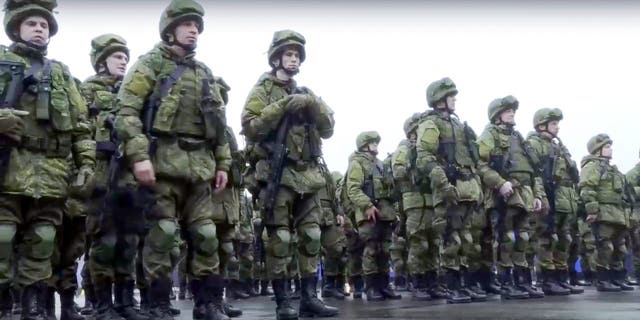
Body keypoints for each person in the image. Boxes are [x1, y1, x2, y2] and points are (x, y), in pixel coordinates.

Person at [115, 0, 232, 319]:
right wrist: (139, 157)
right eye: (187, 24)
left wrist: (223, 163)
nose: (194, 29)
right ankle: (157, 303)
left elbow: (219, 126)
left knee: (207, 236)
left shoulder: (204, 72)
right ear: (170, 29)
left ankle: (208, 303)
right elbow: (126, 114)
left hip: (200, 169)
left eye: (197, 25)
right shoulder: (149, 64)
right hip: (161, 164)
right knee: (163, 234)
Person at [0, 0, 96, 318]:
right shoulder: (1, 62)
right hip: (8, 168)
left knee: (42, 242)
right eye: (32, 24)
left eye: (44, 25)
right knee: (2, 238)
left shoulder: (60, 73)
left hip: (52, 172)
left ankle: (32, 310)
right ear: (16, 27)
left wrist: (85, 165)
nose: (39, 29)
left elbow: (81, 126)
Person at [241, 29, 338, 320]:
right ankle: (284, 300)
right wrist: (282, 105)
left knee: (311, 235)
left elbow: (329, 128)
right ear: (276, 58)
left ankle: (309, 297)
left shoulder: (306, 94)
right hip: (277, 174)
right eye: (288, 54)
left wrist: (313, 104)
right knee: (279, 239)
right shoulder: (262, 90)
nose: (293, 59)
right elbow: (251, 126)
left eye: (297, 55)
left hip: (307, 175)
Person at [415, 78, 487, 303]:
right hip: (449, 189)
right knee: (450, 238)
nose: (454, 99)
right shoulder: (430, 123)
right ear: (439, 98)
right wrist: (444, 185)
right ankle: (452, 286)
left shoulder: (458, 125)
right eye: (450, 95)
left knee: (466, 238)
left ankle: (463, 284)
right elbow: (424, 157)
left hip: (467, 189)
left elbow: (471, 161)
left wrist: (477, 187)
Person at [476, 96, 547, 299]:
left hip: (524, 194)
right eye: (507, 111)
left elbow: (533, 170)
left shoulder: (518, 137)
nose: (512, 113)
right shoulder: (489, 134)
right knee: (505, 238)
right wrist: (500, 183)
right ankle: (506, 282)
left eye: (512, 111)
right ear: (497, 115)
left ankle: (522, 280)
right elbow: (481, 164)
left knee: (524, 238)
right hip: (503, 195)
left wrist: (538, 194)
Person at [526, 108, 583, 295]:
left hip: (564, 200)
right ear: (541, 125)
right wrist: (540, 196)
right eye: (553, 124)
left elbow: (571, 175)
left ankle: (560, 276)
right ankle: (547, 279)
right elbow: (535, 174)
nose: (557, 127)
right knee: (546, 239)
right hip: (549, 197)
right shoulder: (534, 144)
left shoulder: (558, 146)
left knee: (563, 239)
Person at [345, 131, 402, 302]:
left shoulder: (380, 164)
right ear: (364, 145)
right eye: (373, 143)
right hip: (368, 213)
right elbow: (353, 189)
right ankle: (371, 288)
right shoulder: (357, 162)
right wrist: (367, 205)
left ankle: (384, 286)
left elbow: (390, 191)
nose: (376, 145)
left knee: (385, 250)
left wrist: (395, 212)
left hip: (385, 213)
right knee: (371, 250)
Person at [579, 134, 634, 292]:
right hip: (604, 214)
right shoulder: (592, 167)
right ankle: (603, 279)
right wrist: (592, 210)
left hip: (617, 214)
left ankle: (617, 277)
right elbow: (587, 188)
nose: (610, 149)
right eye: (607, 147)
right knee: (605, 247)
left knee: (620, 248)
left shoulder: (612, 170)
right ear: (597, 150)